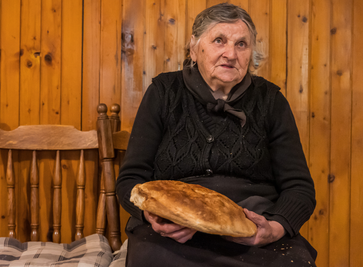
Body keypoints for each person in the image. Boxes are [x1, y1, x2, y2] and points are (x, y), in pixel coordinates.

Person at [116, 3, 317, 267]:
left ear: (250, 53)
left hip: (250, 227)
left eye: (241, 44)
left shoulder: (270, 101)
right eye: (219, 41)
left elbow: (299, 187)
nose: (230, 54)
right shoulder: (164, 92)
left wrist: (275, 228)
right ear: (194, 49)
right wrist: (152, 214)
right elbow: (131, 179)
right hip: (174, 230)